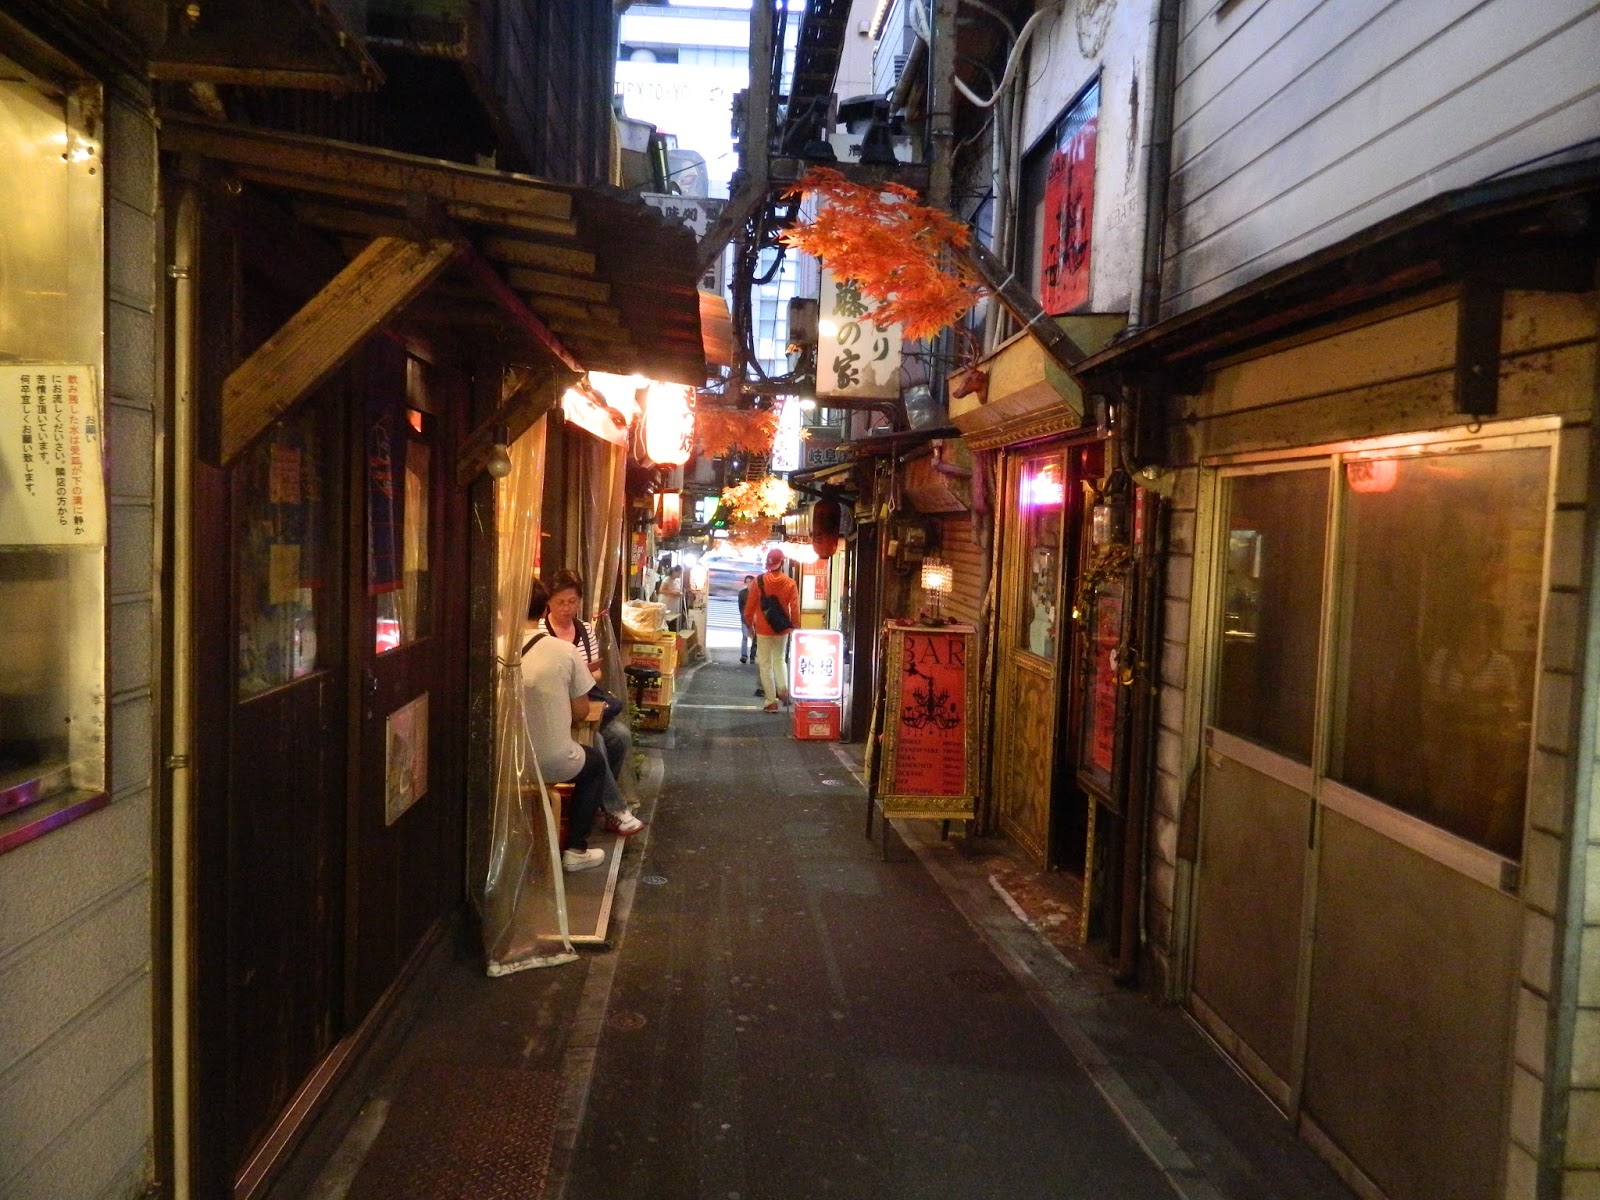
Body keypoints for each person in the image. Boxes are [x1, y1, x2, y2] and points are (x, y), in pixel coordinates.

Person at [523, 582, 640, 874]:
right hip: (548, 759)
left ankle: (608, 811)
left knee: (613, 738)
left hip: (504, 759)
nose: (566, 607)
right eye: (561, 601)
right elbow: (581, 711)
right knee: (594, 761)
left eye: (571, 602)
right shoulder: (562, 650)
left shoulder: (492, 646)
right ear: (545, 606)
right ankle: (576, 848)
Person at [744, 547, 800, 713]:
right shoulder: (790, 583)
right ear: (782, 563)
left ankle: (771, 701)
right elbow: (795, 608)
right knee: (779, 659)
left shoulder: (758, 581)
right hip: (782, 629)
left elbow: (749, 608)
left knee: (765, 664)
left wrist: (749, 625)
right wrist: (794, 626)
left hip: (762, 629)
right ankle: (783, 688)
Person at [658, 565, 686, 632]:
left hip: (673, 604)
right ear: (675, 572)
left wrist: (679, 593)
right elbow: (661, 590)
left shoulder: (677, 580)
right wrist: (672, 593)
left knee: (672, 621)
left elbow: (677, 590)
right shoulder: (667, 579)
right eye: (679, 573)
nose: (680, 575)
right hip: (666, 603)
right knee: (665, 622)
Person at [736, 573, 756, 664]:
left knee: (755, 638)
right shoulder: (742, 593)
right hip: (745, 618)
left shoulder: (757, 593)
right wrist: (743, 614)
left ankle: (752, 655)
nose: (749, 584)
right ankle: (744, 655)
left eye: (751, 582)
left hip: (755, 618)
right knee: (745, 636)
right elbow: (740, 606)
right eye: (747, 582)